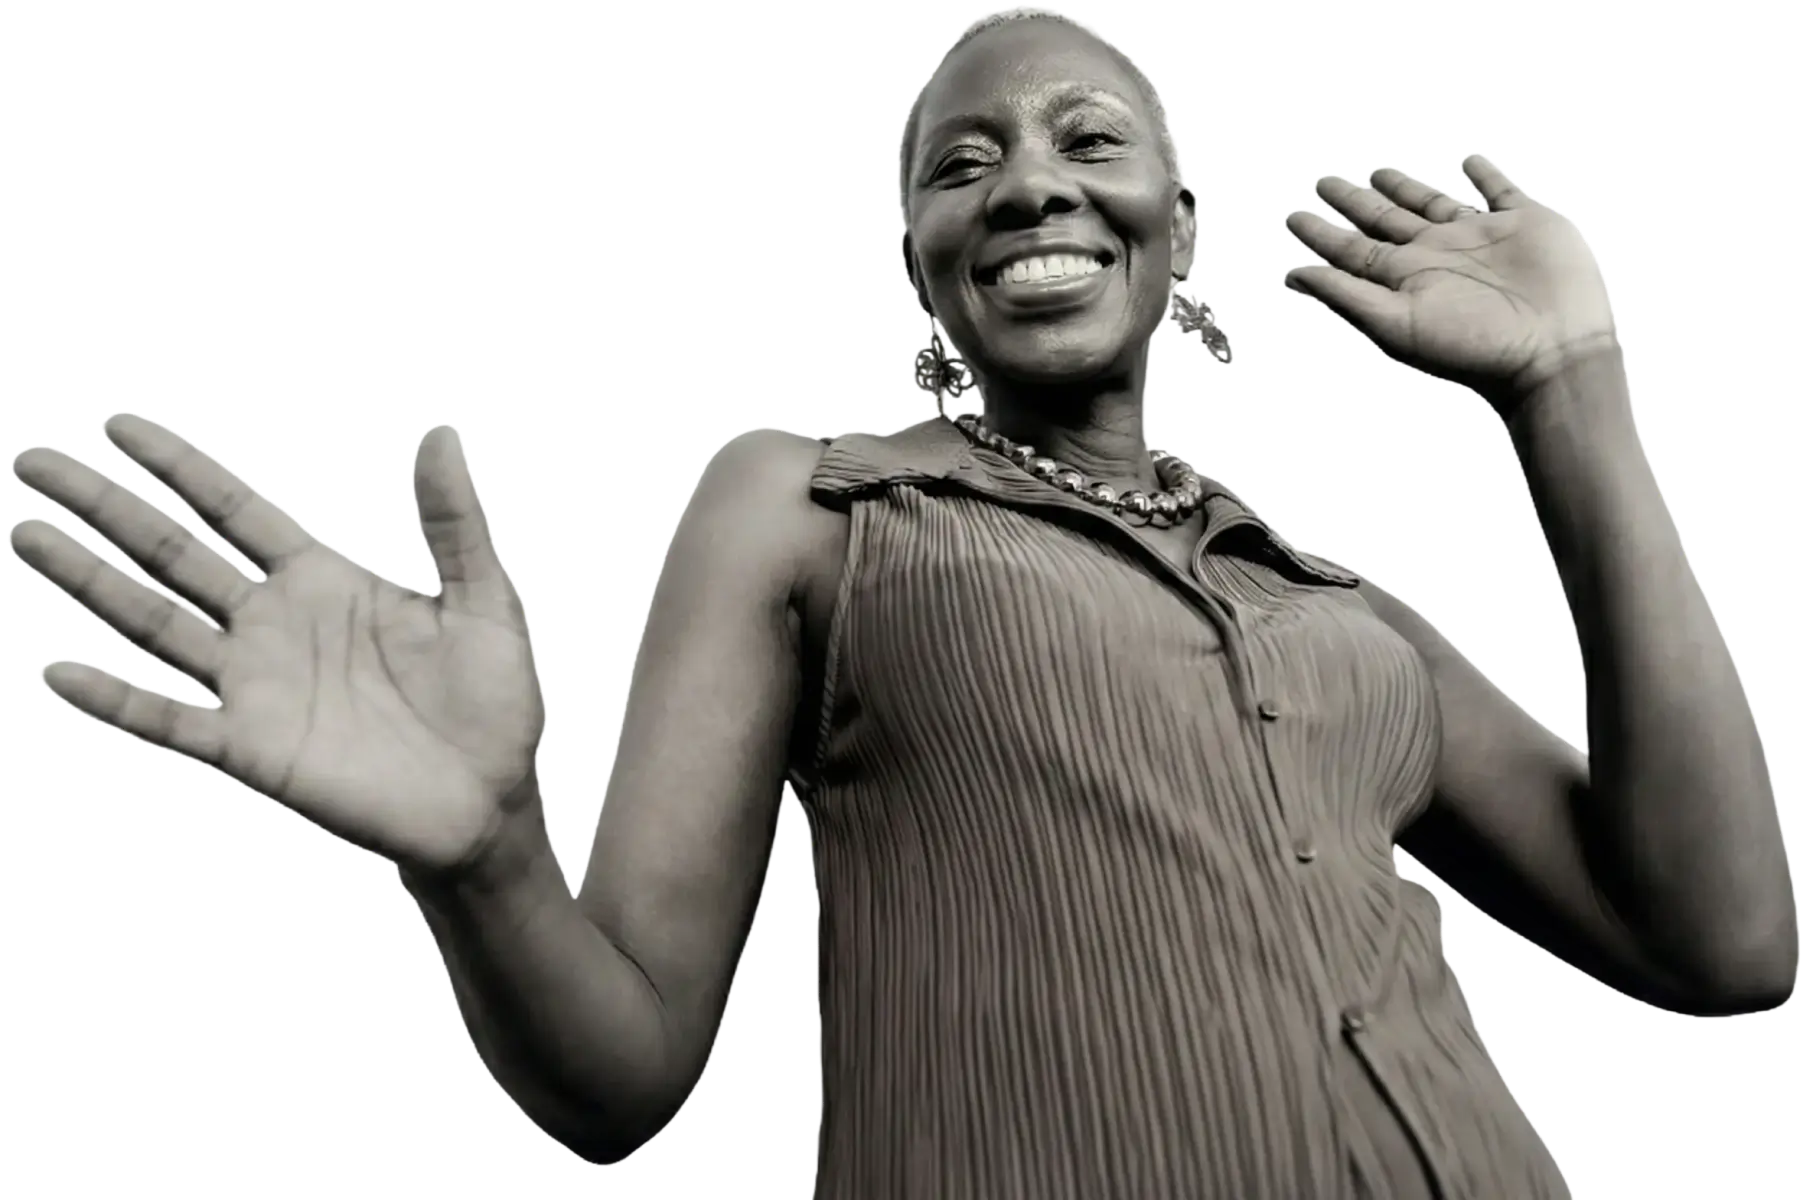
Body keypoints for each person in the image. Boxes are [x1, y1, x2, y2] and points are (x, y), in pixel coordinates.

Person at [8, 7, 1792, 1198]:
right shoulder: (809, 499)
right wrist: (482, 859)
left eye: (1088, 137)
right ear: (926, 265)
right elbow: (617, 1076)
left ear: (1172, 223)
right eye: (961, 162)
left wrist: (1570, 389)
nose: (1029, 179)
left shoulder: (1341, 611)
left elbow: (1720, 941)